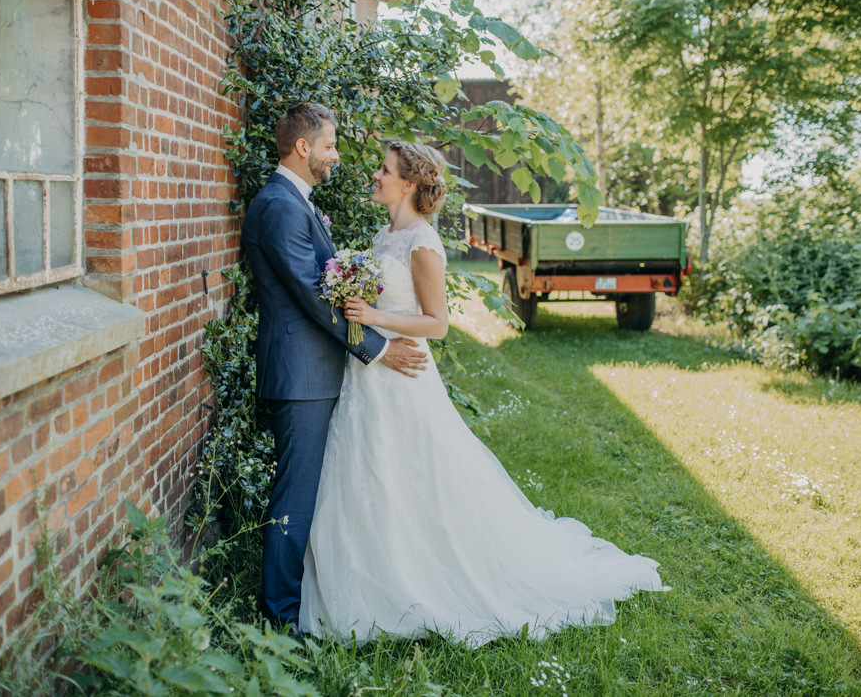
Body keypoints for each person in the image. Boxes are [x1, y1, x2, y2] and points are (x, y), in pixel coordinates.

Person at [299, 141, 668, 647]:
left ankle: (423, 578)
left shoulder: (422, 242)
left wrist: (373, 317)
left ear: (407, 184)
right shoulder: (385, 233)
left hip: (405, 379)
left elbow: (438, 323)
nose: (376, 176)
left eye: (383, 170)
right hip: (370, 376)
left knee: (410, 474)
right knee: (366, 470)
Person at [241, 104, 428, 631]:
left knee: (303, 494)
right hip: (300, 376)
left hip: (313, 373)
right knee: (295, 497)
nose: (336, 155)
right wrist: (379, 347)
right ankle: (280, 621)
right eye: (330, 145)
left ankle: (295, 606)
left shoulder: (296, 202)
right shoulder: (280, 206)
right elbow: (309, 295)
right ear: (304, 148)